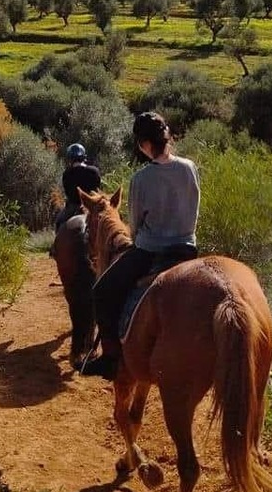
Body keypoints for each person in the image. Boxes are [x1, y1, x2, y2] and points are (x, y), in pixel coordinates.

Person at [81, 112, 200, 380]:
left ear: (144, 144)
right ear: (167, 137)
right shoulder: (189, 167)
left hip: (150, 252)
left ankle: (110, 357)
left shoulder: (141, 179)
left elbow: (134, 227)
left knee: (102, 291)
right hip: (187, 248)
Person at [55, 143, 102, 232]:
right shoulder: (94, 171)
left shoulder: (67, 173)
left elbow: (68, 192)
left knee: (59, 221)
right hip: (92, 206)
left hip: (74, 207)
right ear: (84, 156)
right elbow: (98, 188)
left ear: (70, 159)